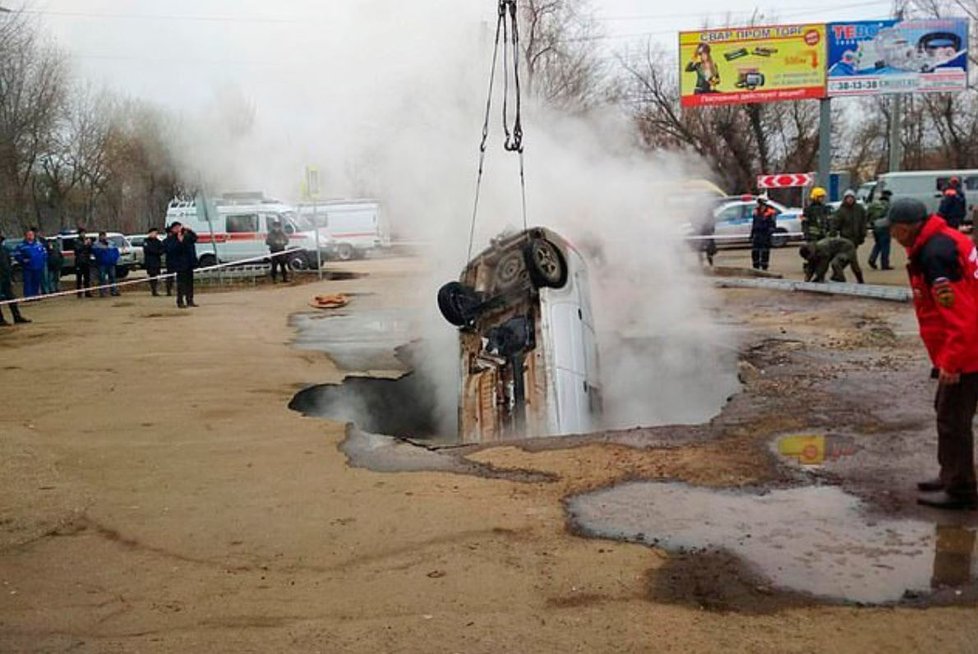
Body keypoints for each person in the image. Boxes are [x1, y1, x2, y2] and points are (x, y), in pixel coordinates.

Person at [883, 198, 978, 510]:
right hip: (964, 347)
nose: (893, 238)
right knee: (946, 410)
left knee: (953, 418)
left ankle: (960, 489)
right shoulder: (941, 241)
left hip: (968, 351)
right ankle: (950, 474)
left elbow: (962, 318)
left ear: (906, 228)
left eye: (894, 231)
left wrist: (951, 362)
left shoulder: (936, 255)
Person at [830, 189, 868, 284]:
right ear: (845, 199)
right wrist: (833, 235)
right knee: (852, 260)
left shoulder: (859, 209)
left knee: (847, 259)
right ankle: (859, 280)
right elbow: (835, 224)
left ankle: (837, 275)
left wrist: (863, 235)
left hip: (856, 239)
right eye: (848, 198)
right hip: (845, 240)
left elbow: (863, 223)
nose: (850, 200)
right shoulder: (841, 211)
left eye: (851, 198)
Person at [799, 237, 863, 283]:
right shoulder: (814, 251)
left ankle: (841, 280)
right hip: (838, 250)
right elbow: (811, 265)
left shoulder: (822, 249)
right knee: (837, 269)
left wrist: (818, 278)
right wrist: (807, 278)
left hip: (847, 248)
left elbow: (823, 266)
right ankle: (837, 277)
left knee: (836, 263)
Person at [164, 221, 199, 308]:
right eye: (176, 228)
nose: (178, 229)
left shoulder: (187, 236)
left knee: (189, 283)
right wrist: (179, 242)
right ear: (172, 229)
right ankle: (180, 301)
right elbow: (171, 250)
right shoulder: (171, 239)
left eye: (179, 227)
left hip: (189, 263)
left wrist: (190, 231)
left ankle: (190, 300)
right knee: (181, 284)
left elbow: (195, 238)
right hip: (180, 264)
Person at [0, 232, 31, 326]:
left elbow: (8, 262)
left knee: (11, 297)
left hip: (6, 276)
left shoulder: (3, 249)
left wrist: (9, 274)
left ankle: (17, 317)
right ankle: (0, 320)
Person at [15, 228, 47, 298]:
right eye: (28, 235)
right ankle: (28, 296)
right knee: (28, 282)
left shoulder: (39, 244)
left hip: (38, 267)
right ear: (26, 236)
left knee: (36, 282)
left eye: (31, 235)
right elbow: (17, 255)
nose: (30, 236)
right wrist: (23, 260)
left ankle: (36, 295)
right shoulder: (21, 246)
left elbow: (44, 253)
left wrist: (42, 261)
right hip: (27, 268)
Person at [867, 190, 894, 270]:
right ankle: (884, 264)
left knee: (878, 244)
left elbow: (868, 215)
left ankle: (872, 259)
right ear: (888, 196)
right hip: (885, 227)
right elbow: (891, 217)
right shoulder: (888, 205)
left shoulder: (874, 204)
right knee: (885, 246)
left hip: (875, 227)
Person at [750, 196, 777, 271]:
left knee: (765, 251)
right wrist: (752, 235)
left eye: (759, 202)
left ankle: (764, 267)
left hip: (765, 234)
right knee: (755, 251)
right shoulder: (756, 211)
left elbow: (773, 224)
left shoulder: (770, 212)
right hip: (757, 234)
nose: (758, 204)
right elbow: (754, 223)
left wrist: (769, 232)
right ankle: (756, 266)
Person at [92, 232, 121, 297]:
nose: (103, 237)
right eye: (101, 236)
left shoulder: (111, 243)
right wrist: (102, 250)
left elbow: (116, 252)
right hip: (102, 264)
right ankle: (103, 292)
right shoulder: (96, 245)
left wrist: (115, 259)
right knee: (102, 278)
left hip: (111, 264)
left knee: (113, 277)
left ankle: (114, 291)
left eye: (104, 236)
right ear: (99, 237)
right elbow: (95, 254)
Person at [143, 227, 165, 296]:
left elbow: (162, 250)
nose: (154, 234)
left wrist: (157, 252)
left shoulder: (158, 242)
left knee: (156, 275)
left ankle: (155, 290)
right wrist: (156, 251)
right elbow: (147, 250)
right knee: (152, 275)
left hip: (156, 261)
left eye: (156, 233)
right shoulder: (146, 241)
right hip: (149, 261)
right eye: (153, 233)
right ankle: (153, 290)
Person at [74, 233, 93, 298]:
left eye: (84, 233)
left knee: (87, 278)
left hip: (86, 262)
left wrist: (90, 244)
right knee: (79, 278)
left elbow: (90, 251)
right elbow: (77, 250)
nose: (83, 234)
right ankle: (79, 293)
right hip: (79, 262)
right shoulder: (76, 241)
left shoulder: (86, 240)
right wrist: (84, 244)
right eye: (82, 233)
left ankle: (87, 292)